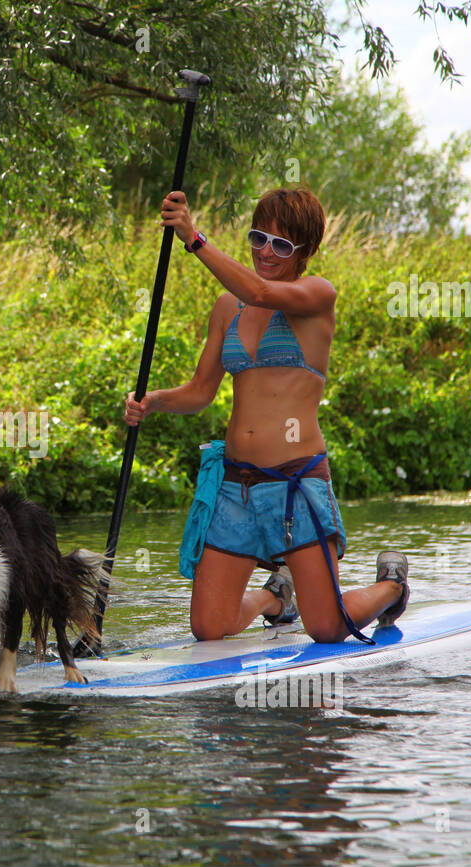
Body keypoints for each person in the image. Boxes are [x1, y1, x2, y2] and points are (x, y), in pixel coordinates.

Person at [124, 187, 408, 643]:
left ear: (305, 250)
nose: (265, 252)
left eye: (281, 244)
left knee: (328, 627)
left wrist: (194, 238)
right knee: (208, 628)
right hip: (237, 484)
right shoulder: (226, 308)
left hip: (296, 482)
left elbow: (259, 290)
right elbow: (200, 391)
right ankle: (276, 597)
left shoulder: (316, 295)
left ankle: (391, 585)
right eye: (258, 239)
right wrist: (153, 400)